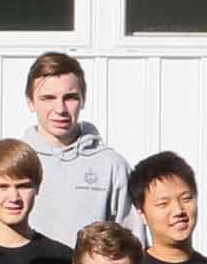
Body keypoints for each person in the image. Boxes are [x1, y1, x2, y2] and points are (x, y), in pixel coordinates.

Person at [17, 51, 133, 230]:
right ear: (30, 102)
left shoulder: (112, 166)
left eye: (70, 98)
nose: (60, 109)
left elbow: (132, 242)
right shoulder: (11, 162)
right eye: (48, 98)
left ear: (83, 100)